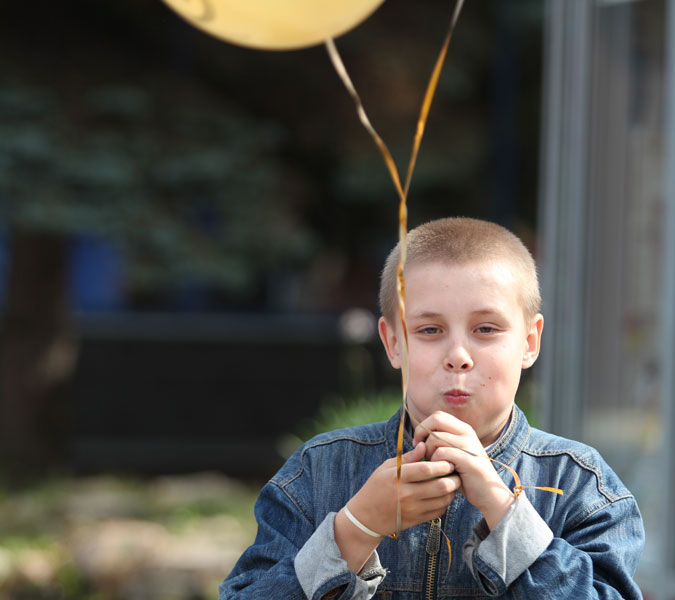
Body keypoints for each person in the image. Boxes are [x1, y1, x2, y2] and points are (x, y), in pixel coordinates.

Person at [219, 217, 644, 599]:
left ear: (530, 342)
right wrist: (356, 528)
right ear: (392, 343)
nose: (458, 354)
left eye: (486, 329)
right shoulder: (319, 471)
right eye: (429, 329)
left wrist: (502, 507)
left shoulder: (580, 485)